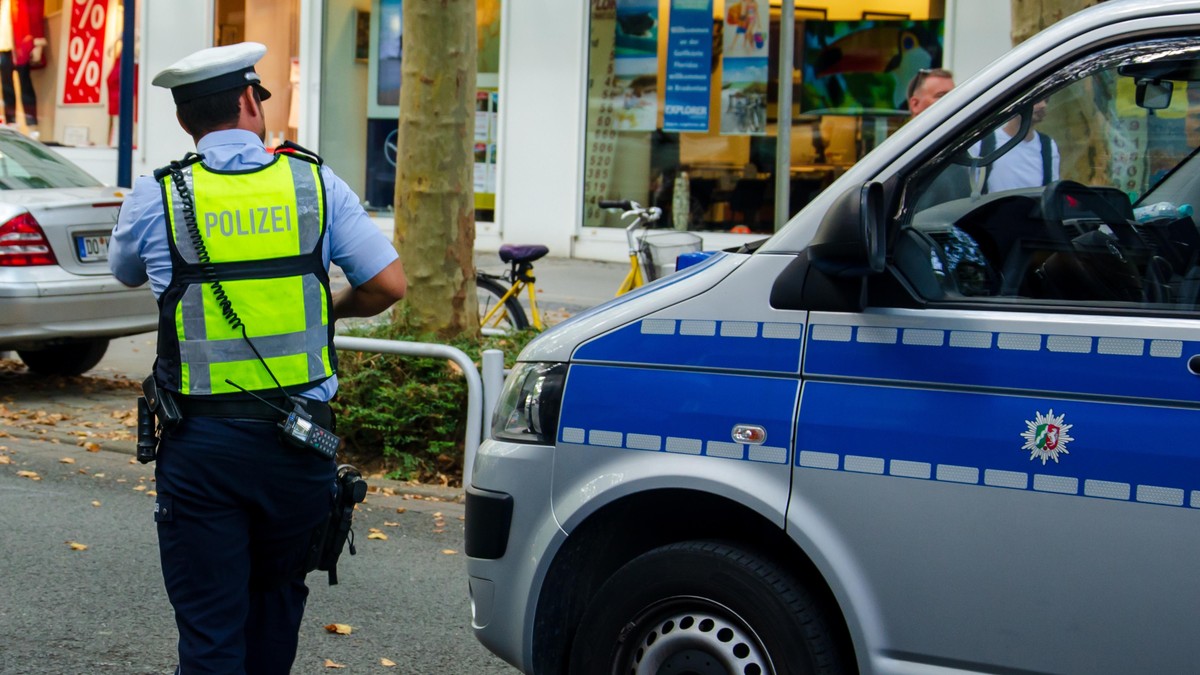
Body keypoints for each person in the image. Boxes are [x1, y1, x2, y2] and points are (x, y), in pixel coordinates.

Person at [108, 42, 407, 674]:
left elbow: (126, 272)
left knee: (211, 630)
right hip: (299, 446)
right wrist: (330, 311)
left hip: (202, 446)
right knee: (275, 610)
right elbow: (388, 284)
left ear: (187, 121)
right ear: (249, 101)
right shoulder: (314, 183)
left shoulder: (157, 196)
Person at [981, 99, 1060, 193]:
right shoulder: (986, 142)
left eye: (1046, 100)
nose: (1043, 105)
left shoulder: (1048, 146)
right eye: (1037, 99)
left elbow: (1051, 193)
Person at [0, 0, 45, 130]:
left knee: (25, 83)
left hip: (21, 45)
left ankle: (32, 123)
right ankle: (11, 122)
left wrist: (36, 42)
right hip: (4, 47)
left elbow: (34, 17)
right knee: (7, 86)